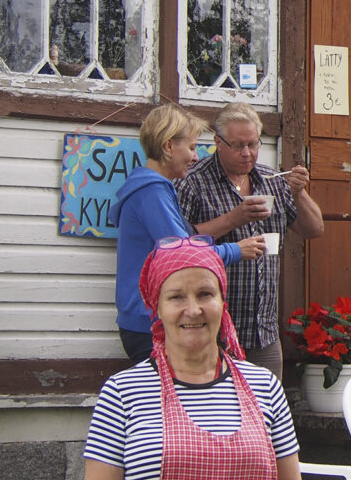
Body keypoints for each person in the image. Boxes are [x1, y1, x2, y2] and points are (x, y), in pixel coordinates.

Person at [80, 236, 308, 480]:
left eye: (205, 294)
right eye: (176, 297)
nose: (193, 309)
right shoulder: (122, 393)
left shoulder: (264, 385)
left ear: (222, 302)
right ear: (157, 307)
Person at [177, 102, 325, 378]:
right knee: (216, 415)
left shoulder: (271, 180)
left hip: (263, 332)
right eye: (238, 145)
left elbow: (314, 229)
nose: (247, 153)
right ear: (218, 143)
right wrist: (235, 218)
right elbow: (179, 244)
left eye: (253, 144)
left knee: (266, 415)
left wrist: (299, 193)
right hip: (211, 331)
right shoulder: (193, 182)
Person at [113, 104, 263, 364]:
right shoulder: (152, 192)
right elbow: (182, 255)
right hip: (150, 323)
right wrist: (237, 250)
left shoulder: (153, 187)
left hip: (145, 319)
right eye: (192, 147)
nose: (195, 158)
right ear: (169, 146)